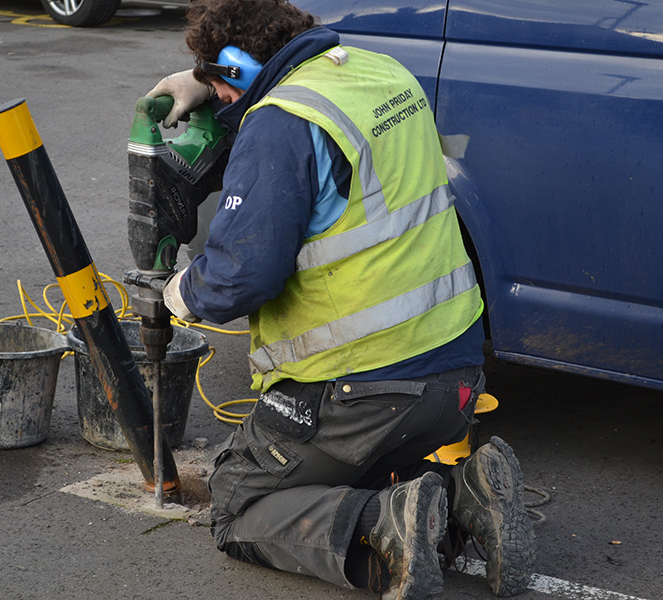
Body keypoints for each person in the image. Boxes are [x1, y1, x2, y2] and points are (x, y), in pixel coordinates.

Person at [147, 1, 536, 598]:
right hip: (454, 381)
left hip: (358, 392)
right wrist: (205, 86)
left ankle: (385, 527)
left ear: (240, 67)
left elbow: (239, 277)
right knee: (370, 475)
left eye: (218, 77)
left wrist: (179, 294)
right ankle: (467, 493)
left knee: (237, 499)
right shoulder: (382, 74)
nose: (219, 95)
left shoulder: (280, 125)